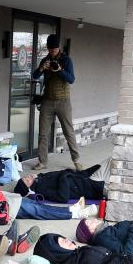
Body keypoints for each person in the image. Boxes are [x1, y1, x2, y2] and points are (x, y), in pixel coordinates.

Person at [30, 33, 82, 171]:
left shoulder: (66, 60)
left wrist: (60, 70)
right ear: (47, 48)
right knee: (42, 133)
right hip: (47, 100)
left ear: (59, 47)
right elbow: (34, 76)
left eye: (55, 49)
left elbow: (71, 79)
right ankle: (42, 161)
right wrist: (41, 68)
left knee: (68, 131)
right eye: (50, 49)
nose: (52, 51)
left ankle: (76, 161)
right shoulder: (45, 60)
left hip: (63, 101)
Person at [15, 164, 106, 201]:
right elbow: (63, 197)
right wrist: (64, 175)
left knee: (111, 161)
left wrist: (90, 170)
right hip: (92, 187)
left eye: (26, 177)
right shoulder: (41, 189)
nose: (29, 177)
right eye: (27, 180)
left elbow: (74, 175)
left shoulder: (40, 178)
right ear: (29, 188)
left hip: (87, 177)